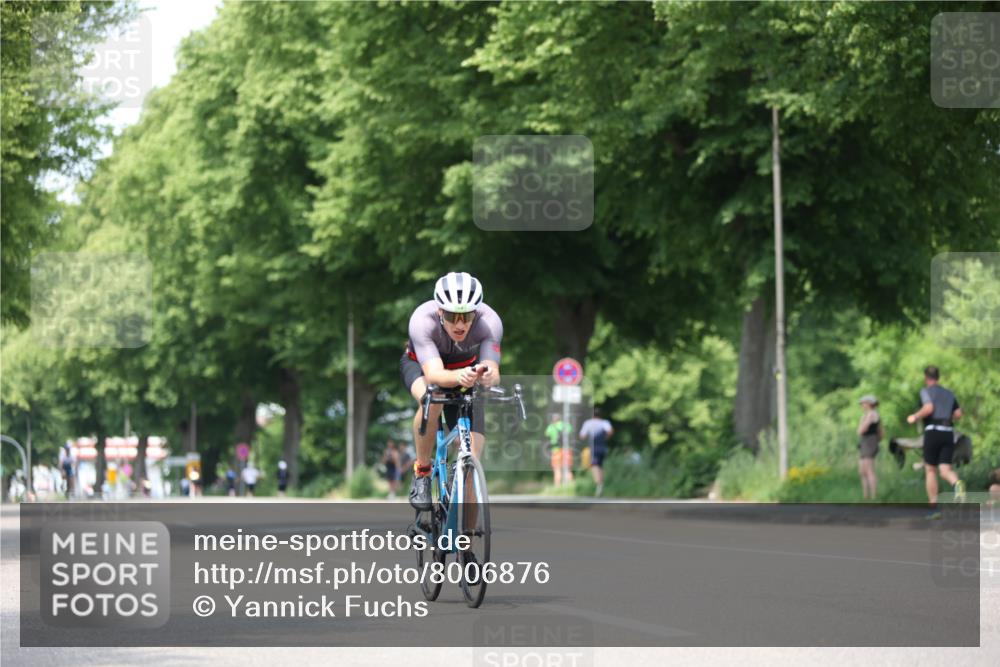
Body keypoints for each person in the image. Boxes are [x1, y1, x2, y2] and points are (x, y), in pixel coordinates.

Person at [400, 272, 503, 510]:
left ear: (475, 313)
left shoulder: (490, 322)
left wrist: (489, 374)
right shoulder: (421, 320)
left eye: (466, 317)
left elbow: (494, 368)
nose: (459, 324)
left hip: (465, 373)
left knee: (471, 466)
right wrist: (458, 376)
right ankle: (422, 473)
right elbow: (434, 375)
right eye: (451, 316)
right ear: (439, 312)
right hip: (422, 367)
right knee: (431, 398)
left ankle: (465, 540)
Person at [907, 365, 965, 516]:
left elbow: (929, 407)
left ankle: (933, 508)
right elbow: (958, 414)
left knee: (931, 470)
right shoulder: (949, 393)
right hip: (948, 433)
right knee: (946, 470)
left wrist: (915, 416)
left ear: (926, 378)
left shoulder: (925, 391)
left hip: (933, 432)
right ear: (938, 377)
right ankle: (957, 484)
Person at [579, 409, 613, 497]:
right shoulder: (604, 422)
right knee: (600, 466)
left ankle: (599, 486)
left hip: (594, 447)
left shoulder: (588, 423)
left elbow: (582, 435)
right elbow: (610, 431)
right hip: (603, 447)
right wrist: (605, 438)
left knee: (594, 466)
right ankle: (601, 484)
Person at [856, 394, 883, 500]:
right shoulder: (870, 414)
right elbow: (881, 433)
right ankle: (866, 496)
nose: (861, 405)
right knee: (862, 470)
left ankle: (873, 496)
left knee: (868, 470)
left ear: (868, 403)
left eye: (863, 403)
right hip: (866, 442)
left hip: (869, 442)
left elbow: (861, 430)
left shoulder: (871, 414)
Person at [544, 413, 573, 486]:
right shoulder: (565, 425)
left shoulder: (551, 426)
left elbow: (546, 434)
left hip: (556, 450)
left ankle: (557, 486)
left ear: (553, 419)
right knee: (567, 469)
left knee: (557, 469)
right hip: (566, 449)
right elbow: (570, 431)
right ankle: (570, 485)